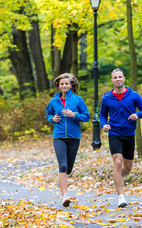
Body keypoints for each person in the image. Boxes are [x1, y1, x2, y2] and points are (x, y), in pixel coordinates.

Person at [99, 68, 142, 207]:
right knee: (117, 162)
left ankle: (117, 178)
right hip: (114, 133)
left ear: (124, 78)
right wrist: (104, 125)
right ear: (112, 80)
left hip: (129, 134)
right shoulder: (107, 98)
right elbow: (102, 115)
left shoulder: (133, 95)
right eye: (115, 77)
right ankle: (120, 196)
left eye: (120, 77)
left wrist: (137, 115)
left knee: (127, 167)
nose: (118, 79)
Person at [46, 73, 90, 207]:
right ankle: (65, 196)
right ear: (58, 86)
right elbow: (48, 114)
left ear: (71, 85)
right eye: (61, 84)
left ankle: (63, 177)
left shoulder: (77, 100)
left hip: (74, 137)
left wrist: (74, 115)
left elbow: (86, 116)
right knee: (63, 166)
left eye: (66, 83)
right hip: (58, 136)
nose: (64, 86)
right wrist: (52, 119)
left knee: (68, 168)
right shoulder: (53, 101)